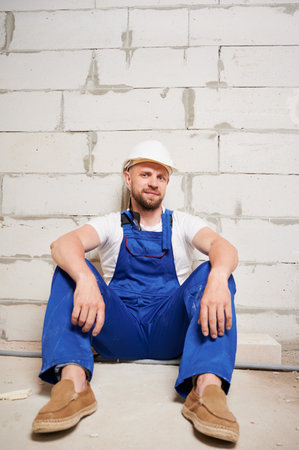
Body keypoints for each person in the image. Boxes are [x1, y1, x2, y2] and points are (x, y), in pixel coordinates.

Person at [32, 140, 239, 443]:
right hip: (118, 330)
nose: (153, 183)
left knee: (215, 272)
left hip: (168, 329)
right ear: (128, 178)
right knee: (69, 270)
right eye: (145, 175)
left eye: (161, 177)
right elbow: (62, 245)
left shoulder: (182, 223)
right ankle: (73, 387)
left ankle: (206, 390)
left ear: (167, 183)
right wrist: (86, 279)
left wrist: (219, 276)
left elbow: (223, 247)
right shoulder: (111, 225)